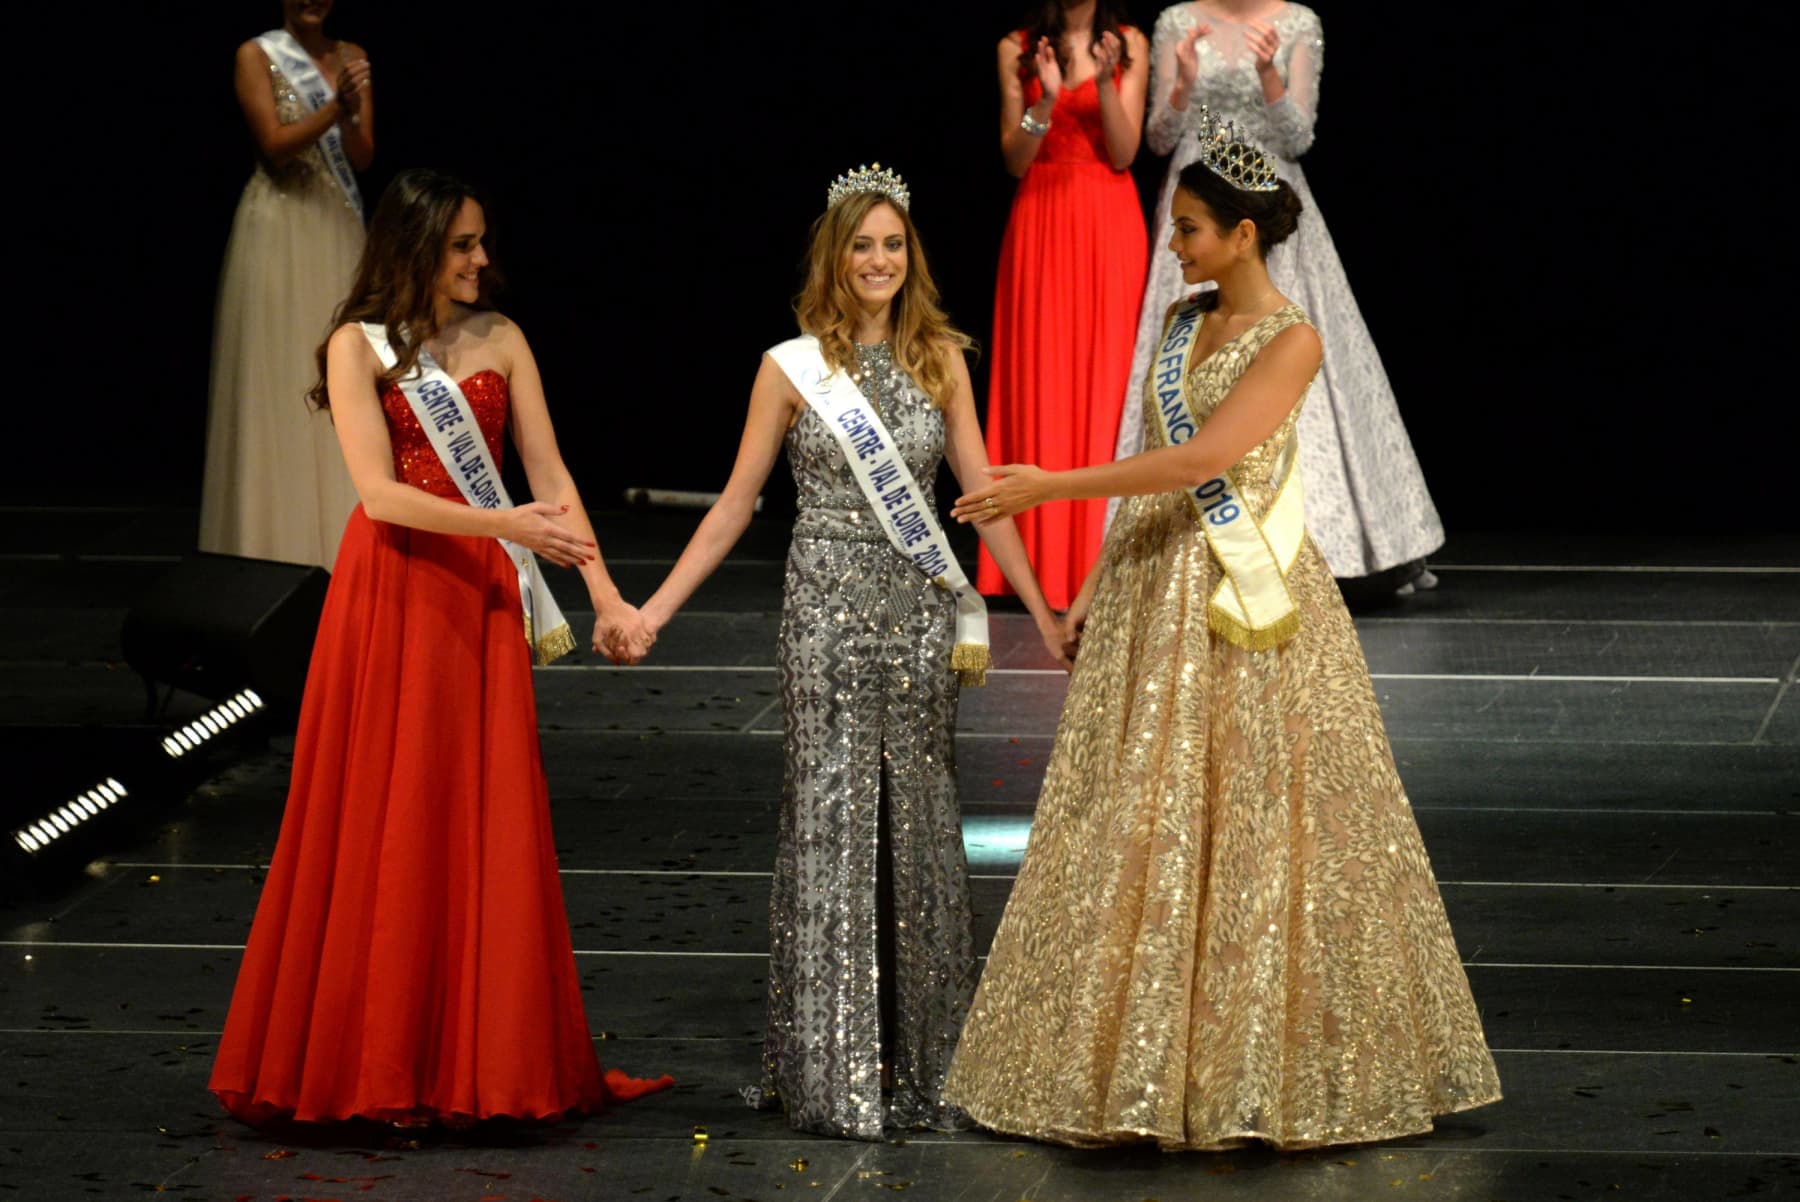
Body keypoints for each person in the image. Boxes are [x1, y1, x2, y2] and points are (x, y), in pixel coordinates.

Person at [940, 118, 1500, 1148]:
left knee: (1256, 816)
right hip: (1153, 588)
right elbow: (1150, 453)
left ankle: (1251, 1066)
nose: (1175, 247)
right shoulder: (1180, 321)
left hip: (1241, 593)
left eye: (1190, 230)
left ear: (1244, 234)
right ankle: (1127, 1062)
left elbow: (1205, 462)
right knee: (1133, 815)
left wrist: (1050, 485)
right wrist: (1089, 589)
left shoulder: (1294, 339)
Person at [208, 169, 670, 1126]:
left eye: (482, 242)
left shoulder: (504, 339)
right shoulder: (356, 345)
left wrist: (606, 593)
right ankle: (375, 1065)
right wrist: (505, 520)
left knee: (472, 818)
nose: (481, 261)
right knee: (388, 818)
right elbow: (379, 495)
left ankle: (474, 1062)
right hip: (393, 596)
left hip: (479, 605)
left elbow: (550, 476)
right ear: (415, 244)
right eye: (463, 245)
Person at [637, 165, 1067, 1139]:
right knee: (830, 816)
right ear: (835, 259)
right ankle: (831, 1065)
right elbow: (737, 506)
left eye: (893, 243)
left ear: (910, 256)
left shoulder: (944, 358)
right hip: (823, 614)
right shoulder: (789, 368)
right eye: (862, 245)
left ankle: (924, 1058)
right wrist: (656, 608)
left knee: (918, 815)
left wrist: (1038, 610)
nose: (879, 260)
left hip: (918, 614)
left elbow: (981, 492)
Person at [1113, 1, 1443, 591]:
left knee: (1291, 351)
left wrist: (1269, 74)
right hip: (1200, 201)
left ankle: (1331, 551)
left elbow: (1298, 136)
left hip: (1266, 204)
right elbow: (1160, 137)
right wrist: (1185, 82)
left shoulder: (1296, 21)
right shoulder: (1178, 21)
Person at [976, 1, 1150, 610]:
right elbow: (1014, 158)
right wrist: (1044, 105)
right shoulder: (1015, 47)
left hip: (1108, 223)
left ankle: (1100, 564)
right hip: (1041, 221)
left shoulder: (1127, 43)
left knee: (1107, 383)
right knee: (1040, 381)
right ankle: (1033, 565)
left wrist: (1104, 84)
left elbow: (1125, 153)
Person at [200, 0, 372, 568]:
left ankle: (345, 542)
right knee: (279, 377)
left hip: (336, 229)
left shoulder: (354, 56)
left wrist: (350, 114)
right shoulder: (256, 54)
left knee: (342, 378)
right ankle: (273, 545)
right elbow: (274, 148)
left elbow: (364, 157)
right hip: (280, 226)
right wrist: (336, 109)